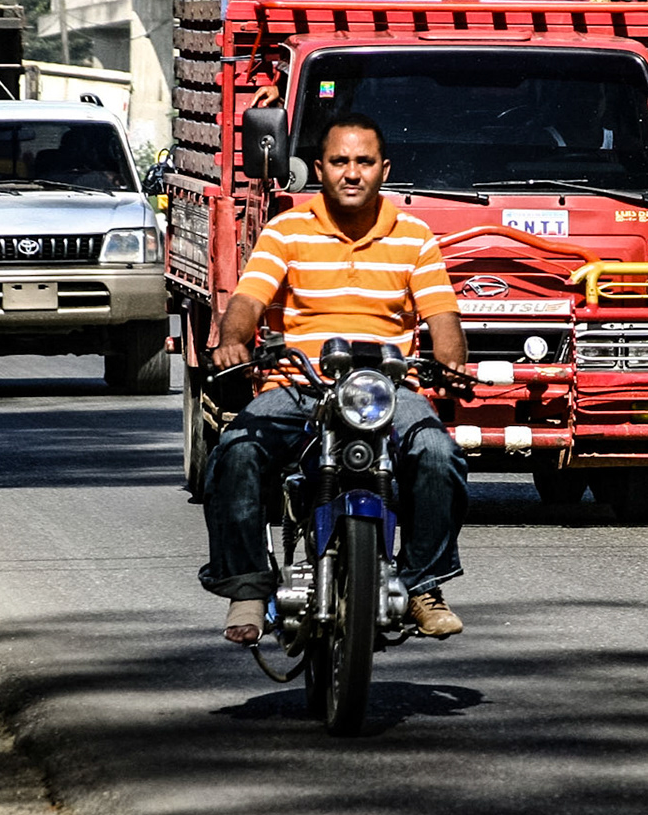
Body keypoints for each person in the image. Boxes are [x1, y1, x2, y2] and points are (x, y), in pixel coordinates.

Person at [200, 113, 469, 645]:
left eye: (364, 162)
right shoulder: (286, 230)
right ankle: (248, 586)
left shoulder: (414, 236)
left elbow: (443, 320)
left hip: (387, 389)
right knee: (236, 452)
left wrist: (451, 359)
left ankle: (422, 585)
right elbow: (248, 301)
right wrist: (234, 338)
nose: (352, 173)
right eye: (340, 161)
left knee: (440, 456)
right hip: (299, 385)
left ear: (383, 169)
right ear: (318, 168)